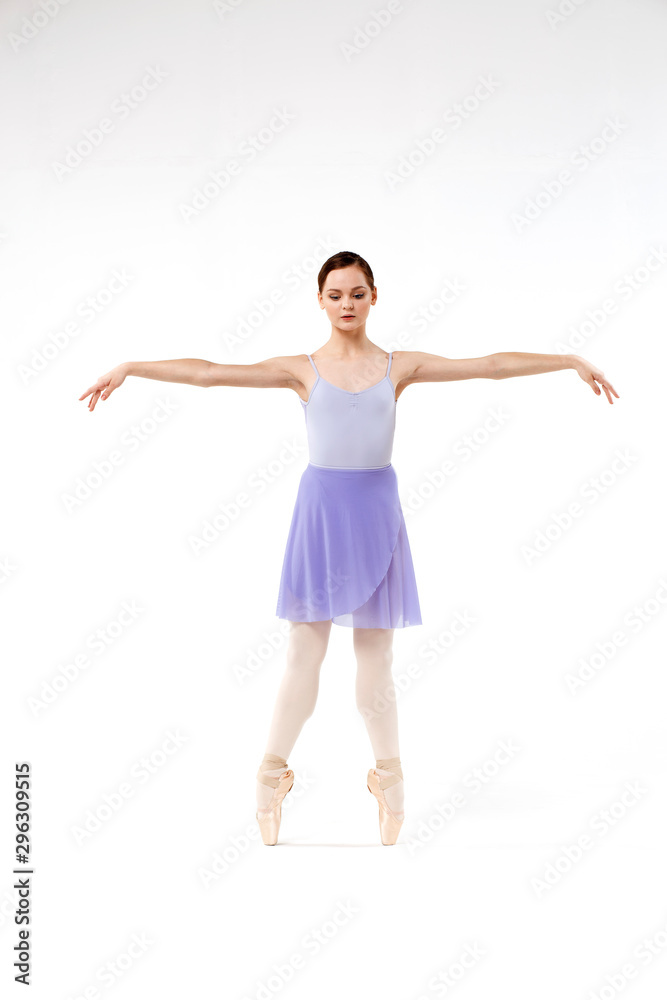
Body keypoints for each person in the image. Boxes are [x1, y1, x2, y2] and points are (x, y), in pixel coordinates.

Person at [79, 249, 619, 847]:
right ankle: (269, 777)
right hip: (321, 515)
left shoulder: (398, 365)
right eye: (336, 295)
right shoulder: (302, 368)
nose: (346, 304)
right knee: (304, 655)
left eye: (357, 294)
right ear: (319, 300)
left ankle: (388, 779)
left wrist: (568, 360)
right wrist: (130, 366)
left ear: (373, 297)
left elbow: (489, 365)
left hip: (376, 513)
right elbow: (210, 372)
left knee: (375, 663)